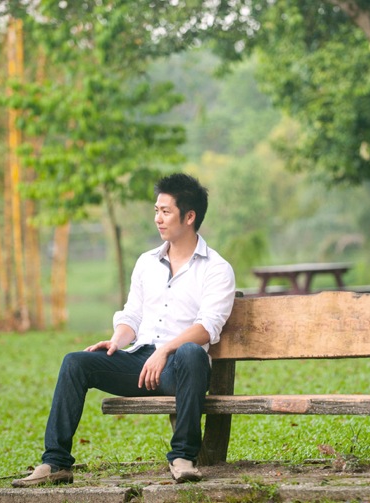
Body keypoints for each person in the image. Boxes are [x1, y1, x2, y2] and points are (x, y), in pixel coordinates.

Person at [12, 173, 236, 487]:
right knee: (75, 362)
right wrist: (118, 339)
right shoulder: (146, 262)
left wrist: (165, 350)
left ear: (189, 217)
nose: (157, 219)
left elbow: (206, 328)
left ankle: (183, 457)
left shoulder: (216, 268)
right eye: (156, 210)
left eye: (165, 211)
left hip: (180, 369)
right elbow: (132, 314)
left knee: (190, 353)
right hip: (140, 364)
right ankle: (56, 463)